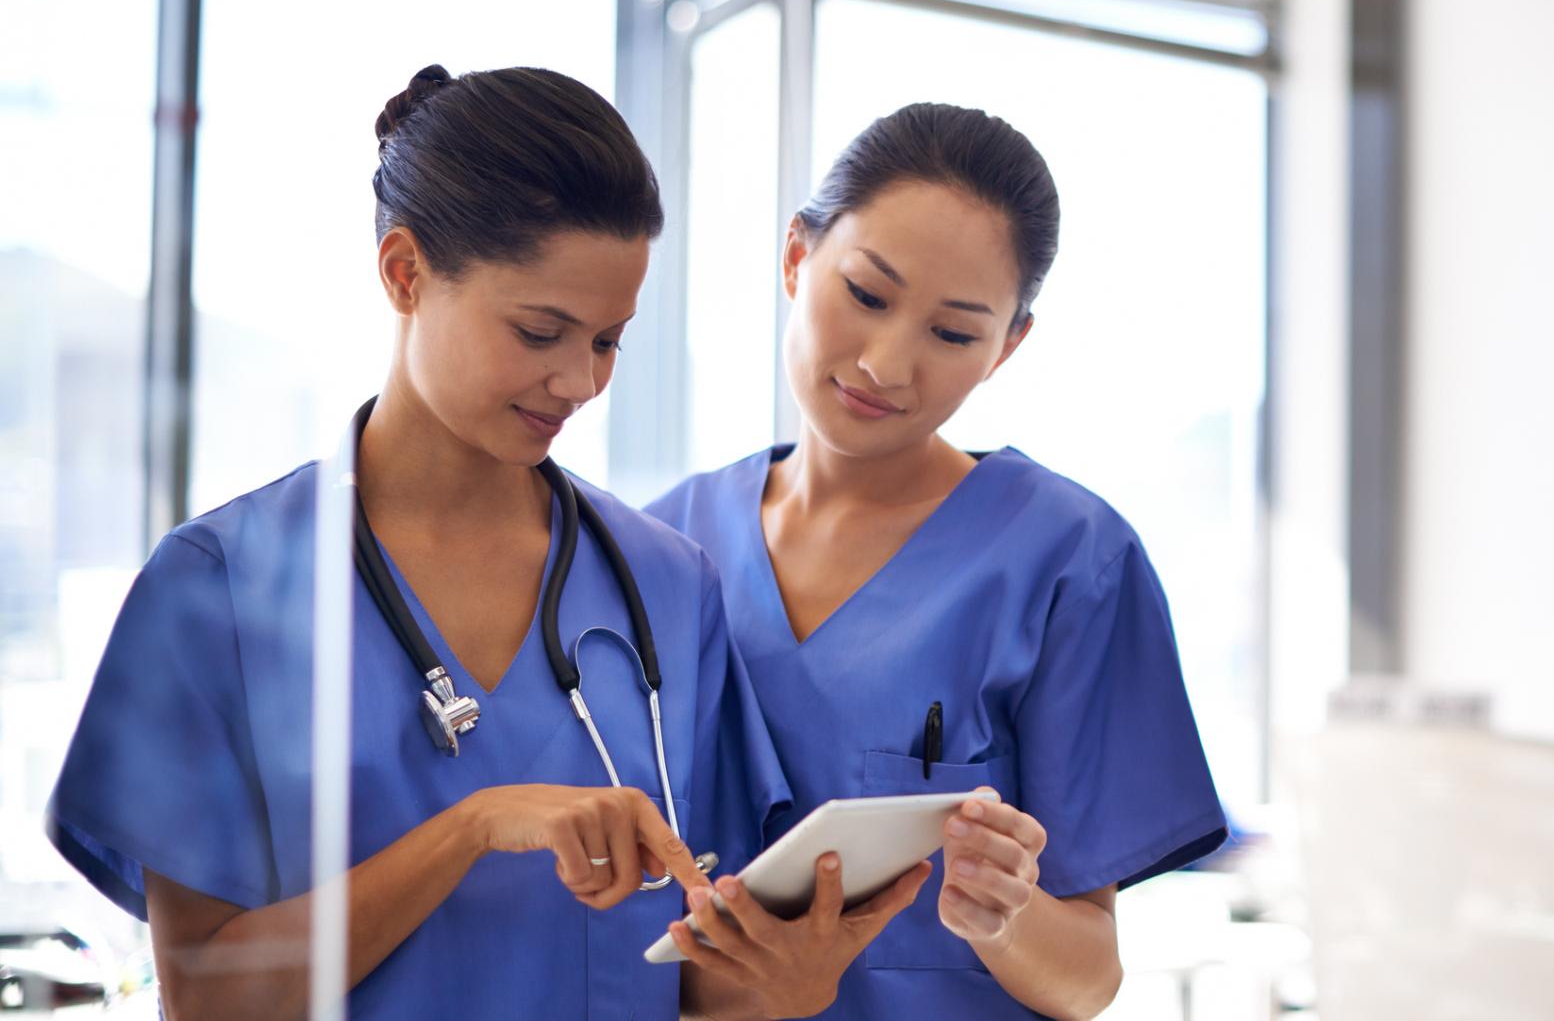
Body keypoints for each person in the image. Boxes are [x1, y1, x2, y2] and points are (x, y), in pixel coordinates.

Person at [46, 64, 918, 1020]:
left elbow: (694, 972)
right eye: (541, 331)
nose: (581, 382)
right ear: (405, 272)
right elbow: (208, 1000)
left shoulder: (667, 585)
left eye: (608, 340)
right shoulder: (217, 591)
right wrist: (473, 827)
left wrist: (786, 985)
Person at [647, 103, 1228, 1019]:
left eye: (954, 334)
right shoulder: (660, 552)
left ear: (1008, 346)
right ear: (797, 256)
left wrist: (1002, 917)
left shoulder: (1070, 561)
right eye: (867, 295)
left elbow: (1087, 980)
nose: (886, 364)